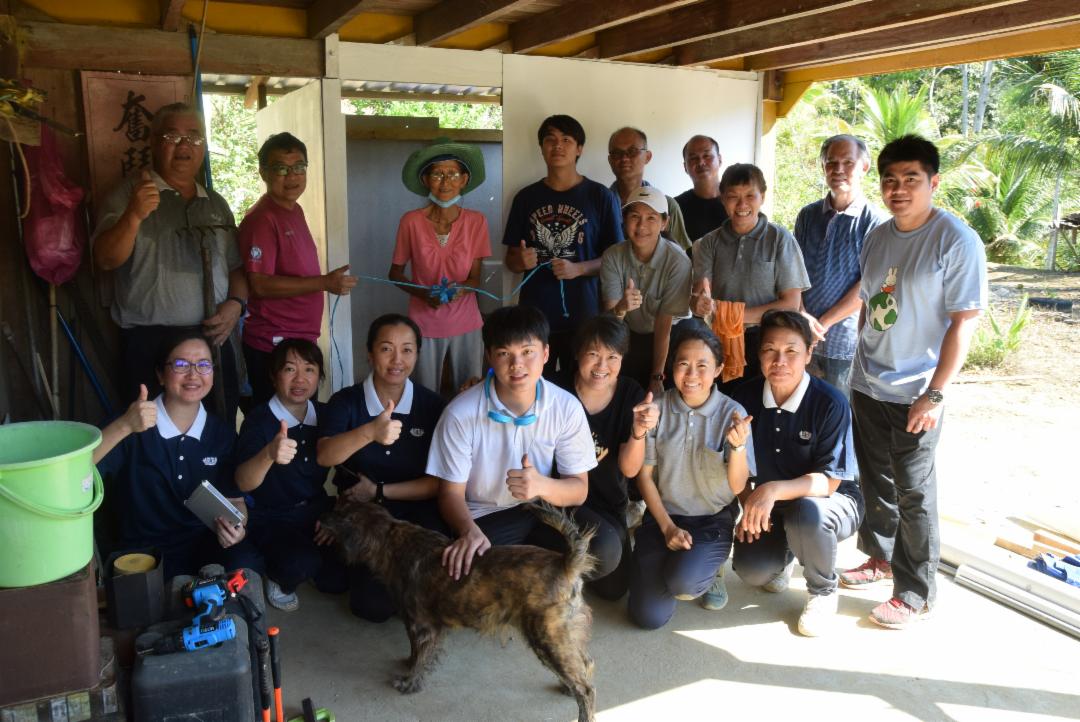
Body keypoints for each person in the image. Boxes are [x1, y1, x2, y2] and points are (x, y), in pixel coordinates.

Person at [839, 135, 986, 630]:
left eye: (911, 180)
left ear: (933, 182)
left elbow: (964, 322)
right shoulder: (878, 236)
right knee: (875, 480)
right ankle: (879, 559)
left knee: (914, 492)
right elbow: (868, 304)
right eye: (889, 180)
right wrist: (861, 364)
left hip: (917, 392)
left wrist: (936, 393)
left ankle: (917, 591)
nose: (898, 189)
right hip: (868, 384)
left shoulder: (956, 240)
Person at [92, 102, 247, 423]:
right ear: (153, 142)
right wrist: (134, 215)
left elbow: (235, 268)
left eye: (194, 137)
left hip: (211, 341)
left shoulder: (215, 204)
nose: (185, 146)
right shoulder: (127, 195)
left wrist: (236, 303)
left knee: (216, 430)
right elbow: (105, 259)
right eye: (173, 136)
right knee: (149, 437)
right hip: (151, 344)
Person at [428, 305, 597, 580]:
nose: (517, 364)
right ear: (489, 357)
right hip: (485, 514)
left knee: (603, 550)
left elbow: (578, 489)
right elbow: (450, 494)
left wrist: (542, 485)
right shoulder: (461, 413)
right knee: (460, 573)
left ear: (545, 353)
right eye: (504, 353)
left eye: (527, 352)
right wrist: (468, 530)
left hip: (543, 506)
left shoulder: (566, 406)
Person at [730, 311, 862, 637]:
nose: (780, 360)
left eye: (791, 350)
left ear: (809, 353)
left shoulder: (830, 402)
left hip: (831, 502)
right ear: (758, 354)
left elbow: (830, 481)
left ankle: (823, 590)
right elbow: (734, 467)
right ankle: (785, 554)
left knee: (807, 512)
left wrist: (771, 490)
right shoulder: (743, 398)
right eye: (769, 350)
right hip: (773, 504)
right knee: (752, 570)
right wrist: (749, 504)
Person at [93, 331, 256, 579]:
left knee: (245, 562)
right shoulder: (132, 422)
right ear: (160, 373)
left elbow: (235, 501)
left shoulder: (220, 433)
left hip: (201, 543)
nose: (193, 375)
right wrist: (124, 426)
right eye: (181, 364)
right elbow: (77, 470)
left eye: (203, 365)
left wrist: (237, 526)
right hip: (142, 551)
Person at [317, 314, 448, 621]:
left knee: (435, 590)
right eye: (387, 349)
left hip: (418, 509)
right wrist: (370, 432)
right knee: (371, 608)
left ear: (417, 353)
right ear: (370, 352)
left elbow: (439, 483)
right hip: (363, 515)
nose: (397, 360)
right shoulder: (346, 401)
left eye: (407, 349)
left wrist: (378, 490)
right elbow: (325, 455)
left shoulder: (433, 406)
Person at [628, 327, 754, 630]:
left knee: (683, 582)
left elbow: (738, 486)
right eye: (683, 364)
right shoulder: (656, 409)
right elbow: (644, 476)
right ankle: (680, 563)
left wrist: (737, 446)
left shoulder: (732, 412)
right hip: (663, 516)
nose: (692, 374)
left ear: (719, 370)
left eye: (703, 365)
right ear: (672, 368)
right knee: (647, 617)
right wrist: (668, 527)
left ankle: (711, 569)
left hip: (712, 518)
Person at [237, 133, 357, 405]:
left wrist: (325, 282)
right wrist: (324, 282)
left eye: (299, 167)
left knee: (301, 422)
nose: (292, 176)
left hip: (298, 342)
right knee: (277, 426)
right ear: (263, 173)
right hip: (274, 345)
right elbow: (259, 284)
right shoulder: (262, 219)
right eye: (281, 168)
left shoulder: (294, 209)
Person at [503, 115, 623, 378]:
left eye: (566, 140)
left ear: (579, 148)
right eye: (550, 140)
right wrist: (520, 261)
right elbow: (510, 259)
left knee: (581, 383)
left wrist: (579, 269)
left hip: (584, 316)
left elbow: (617, 259)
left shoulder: (601, 196)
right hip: (535, 318)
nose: (558, 146)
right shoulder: (525, 198)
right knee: (533, 384)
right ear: (542, 148)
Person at [235, 339, 346, 611]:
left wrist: (335, 517)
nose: (300, 379)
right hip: (271, 515)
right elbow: (242, 481)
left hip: (315, 509)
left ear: (320, 376)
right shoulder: (259, 421)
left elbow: (344, 461)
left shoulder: (325, 414)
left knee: (339, 579)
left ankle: (307, 561)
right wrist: (269, 454)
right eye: (289, 369)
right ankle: (276, 576)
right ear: (273, 377)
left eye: (309, 369)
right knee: (300, 564)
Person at [558, 315, 659, 600]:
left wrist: (639, 431)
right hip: (561, 499)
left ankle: (574, 565)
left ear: (623, 358)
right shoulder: (555, 388)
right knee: (599, 551)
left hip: (607, 503)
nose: (602, 366)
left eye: (612, 357)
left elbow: (628, 470)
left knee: (615, 588)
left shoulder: (630, 393)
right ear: (577, 353)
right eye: (593, 354)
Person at [691, 163, 810, 386]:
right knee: (724, 408)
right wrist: (700, 305)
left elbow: (791, 303)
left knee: (759, 409)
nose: (742, 204)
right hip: (719, 341)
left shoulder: (780, 239)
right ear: (722, 199)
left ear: (762, 197)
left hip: (768, 342)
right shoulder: (709, 243)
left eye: (750, 196)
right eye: (733, 196)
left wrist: (732, 316)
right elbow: (699, 296)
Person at [390, 138, 492, 394]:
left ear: (464, 180)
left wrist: (460, 289)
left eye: (452, 174)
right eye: (437, 174)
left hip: (467, 323)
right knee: (422, 394)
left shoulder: (476, 222)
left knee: (470, 393)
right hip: (423, 323)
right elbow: (395, 273)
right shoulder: (411, 222)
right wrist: (424, 293)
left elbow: (475, 279)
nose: (445, 182)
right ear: (426, 180)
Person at [794, 134, 887, 398]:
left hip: (845, 344)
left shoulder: (875, 222)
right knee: (802, 416)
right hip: (802, 338)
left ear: (864, 167)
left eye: (848, 162)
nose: (838, 170)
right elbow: (793, 271)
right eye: (831, 162)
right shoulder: (808, 215)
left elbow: (870, 284)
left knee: (838, 418)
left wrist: (821, 325)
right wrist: (801, 314)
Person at [600, 186, 692, 394]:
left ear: (664, 222)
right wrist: (621, 308)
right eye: (635, 216)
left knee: (664, 389)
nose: (642, 225)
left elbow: (664, 325)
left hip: (670, 333)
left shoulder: (678, 261)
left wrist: (656, 376)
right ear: (624, 220)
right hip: (629, 331)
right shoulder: (613, 256)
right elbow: (611, 322)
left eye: (651, 218)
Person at [607, 126, 691, 251]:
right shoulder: (599, 205)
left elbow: (683, 256)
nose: (624, 158)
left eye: (632, 151)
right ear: (610, 160)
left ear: (647, 156)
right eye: (617, 153)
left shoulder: (667, 206)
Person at [674, 135, 729, 244]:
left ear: (720, 159)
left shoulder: (738, 200)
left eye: (707, 155)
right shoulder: (676, 207)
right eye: (693, 158)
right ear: (685, 167)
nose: (700, 162)